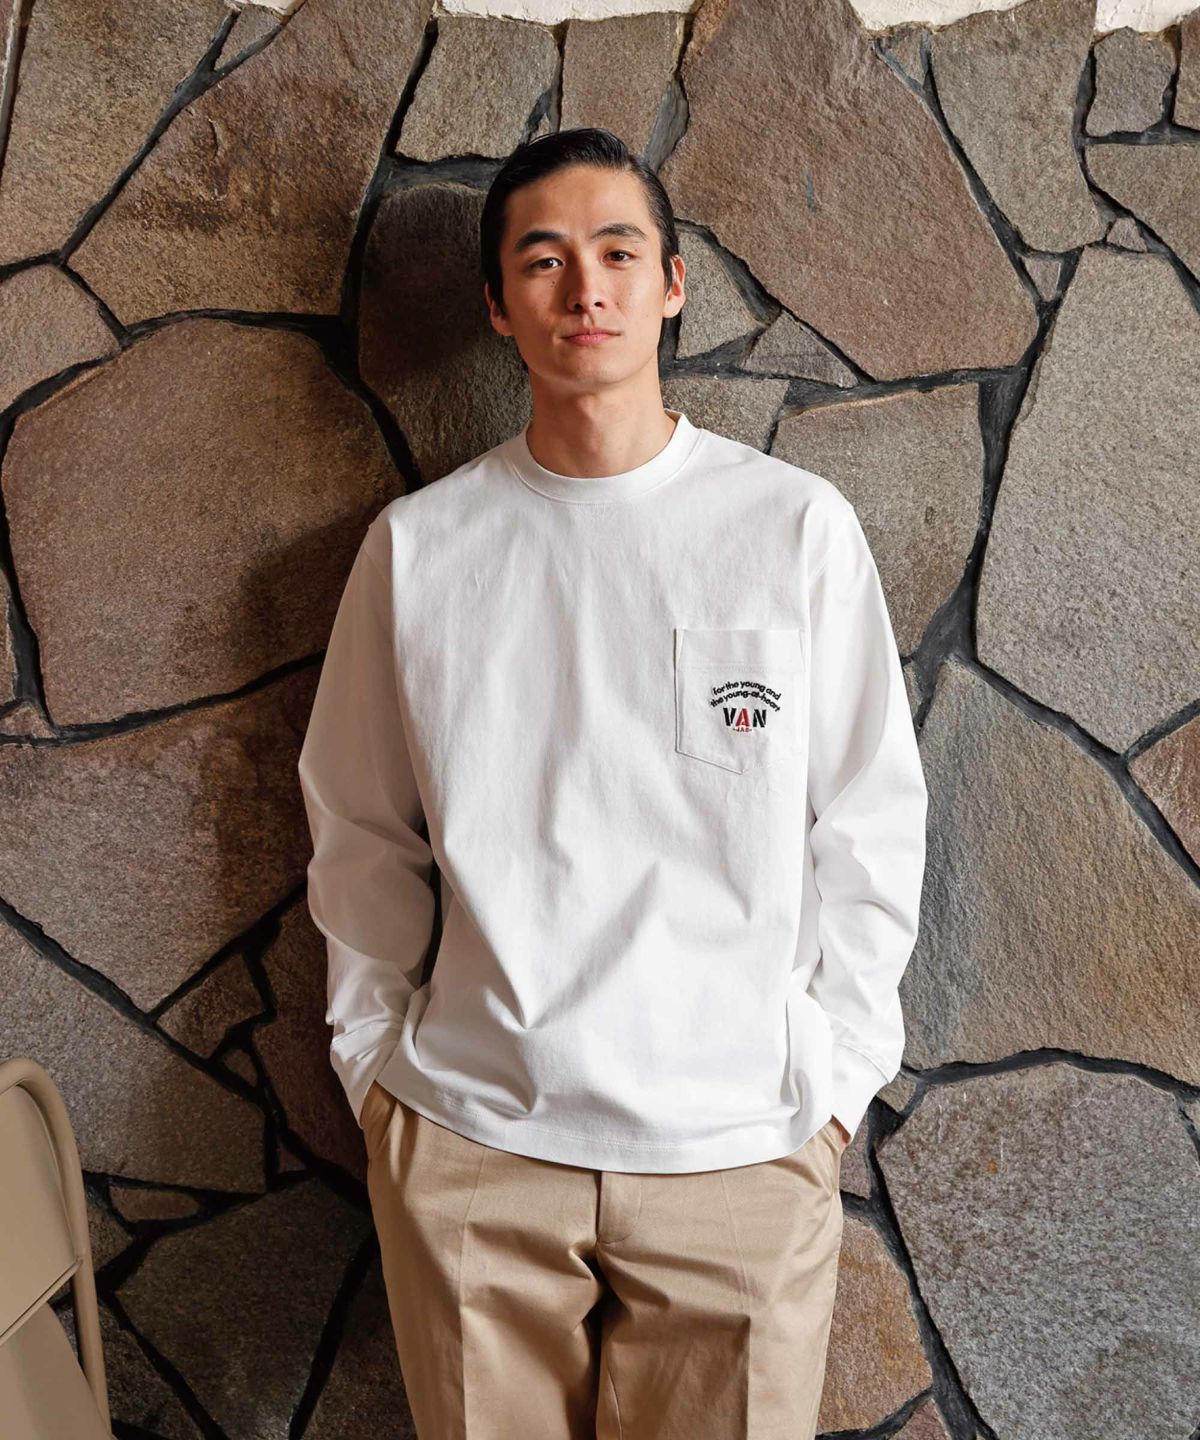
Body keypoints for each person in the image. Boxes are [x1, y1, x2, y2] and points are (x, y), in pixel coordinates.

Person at [297, 126, 928, 1439]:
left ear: (672, 283)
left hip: (740, 1153)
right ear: (498, 304)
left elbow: (873, 822)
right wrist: (376, 1072)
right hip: (473, 1147)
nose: (584, 288)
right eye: (543, 260)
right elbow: (358, 829)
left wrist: (836, 1089)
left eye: (619, 252)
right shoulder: (419, 551)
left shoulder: (792, 530)